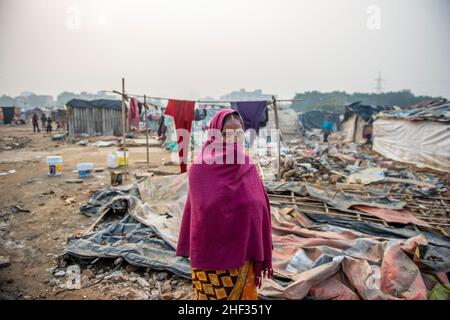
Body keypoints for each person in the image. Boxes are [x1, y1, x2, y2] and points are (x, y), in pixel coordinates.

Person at [176, 109, 273, 300]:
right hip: (210, 255)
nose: (234, 139)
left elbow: (258, 204)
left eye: (238, 133)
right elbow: (202, 212)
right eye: (227, 134)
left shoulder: (247, 164)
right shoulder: (200, 167)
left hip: (243, 252)